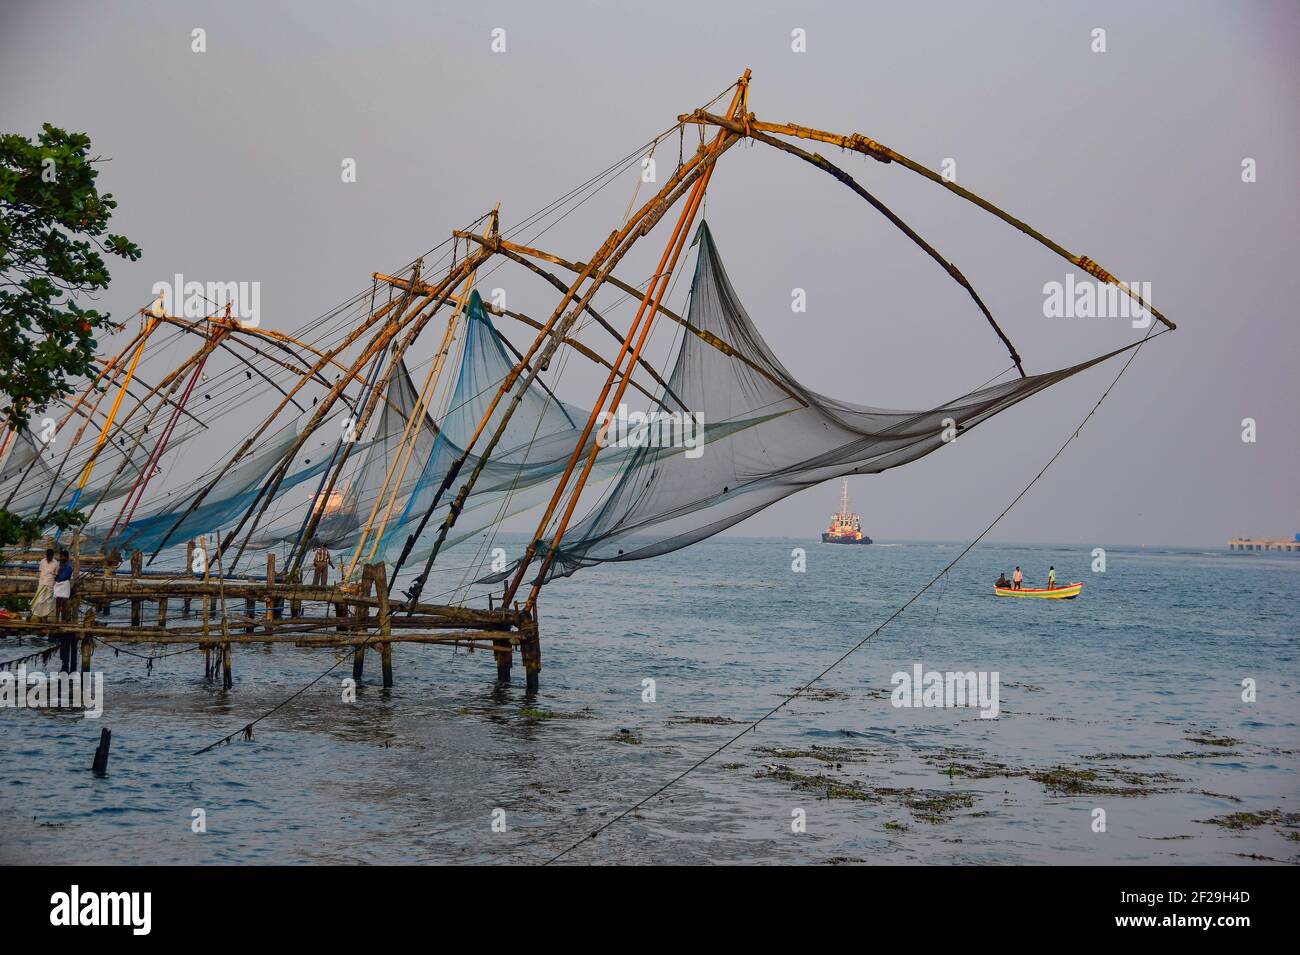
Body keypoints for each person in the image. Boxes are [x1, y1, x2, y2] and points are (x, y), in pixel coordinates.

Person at [53, 550, 75, 672]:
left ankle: (64, 619)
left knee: (64, 603)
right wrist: (56, 576)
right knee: (58, 602)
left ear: (66, 557)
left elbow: (64, 576)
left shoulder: (68, 567)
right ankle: (57, 619)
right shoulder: (60, 565)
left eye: (62, 556)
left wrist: (57, 576)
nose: (60, 558)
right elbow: (57, 575)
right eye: (60, 556)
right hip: (58, 584)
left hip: (64, 583)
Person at [31, 548, 57, 621]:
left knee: (48, 602)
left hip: (50, 584)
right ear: (46, 555)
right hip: (42, 583)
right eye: (48, 556)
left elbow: (56, 574)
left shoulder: (56, 563)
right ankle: (38, 616)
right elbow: (41, 571)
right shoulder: (42, 561)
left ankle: (45, 617)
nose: (49, 558)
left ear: (52, 556)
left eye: (50, 556)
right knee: (39, 600)